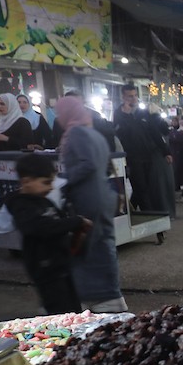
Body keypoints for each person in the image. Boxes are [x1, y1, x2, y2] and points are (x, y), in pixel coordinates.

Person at [55, 96, 127, 313]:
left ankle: (99, 297)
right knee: (103, 245)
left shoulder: (76, 133)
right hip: (103, 196)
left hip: (88, 198)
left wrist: (63, 180)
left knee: (87, 247)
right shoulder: (94, 133)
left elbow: (87, 163)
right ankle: (111, 295)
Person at [4, 152, 88, 315]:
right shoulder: (21, 206)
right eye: (46, 182)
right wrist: (76, 222)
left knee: (74, 308)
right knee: (60, 311)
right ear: (26, 181)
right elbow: (39, 227)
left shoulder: (45, 201)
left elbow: (59, 223)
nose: (50, 187)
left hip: (61, 263)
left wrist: (76, 233)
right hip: (45, 268)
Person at [115, 85, 173, 215]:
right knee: (141, 188)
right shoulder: (118, 115)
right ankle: (151, 217)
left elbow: (154, 133)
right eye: (130, 96)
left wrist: (166, 152)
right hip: (132, 159)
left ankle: (130, 212)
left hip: (148, 157)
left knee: (144, 187)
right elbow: (120, 135)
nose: (134, 99)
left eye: (135, 95)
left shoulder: (143, 113)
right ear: (123, 97)